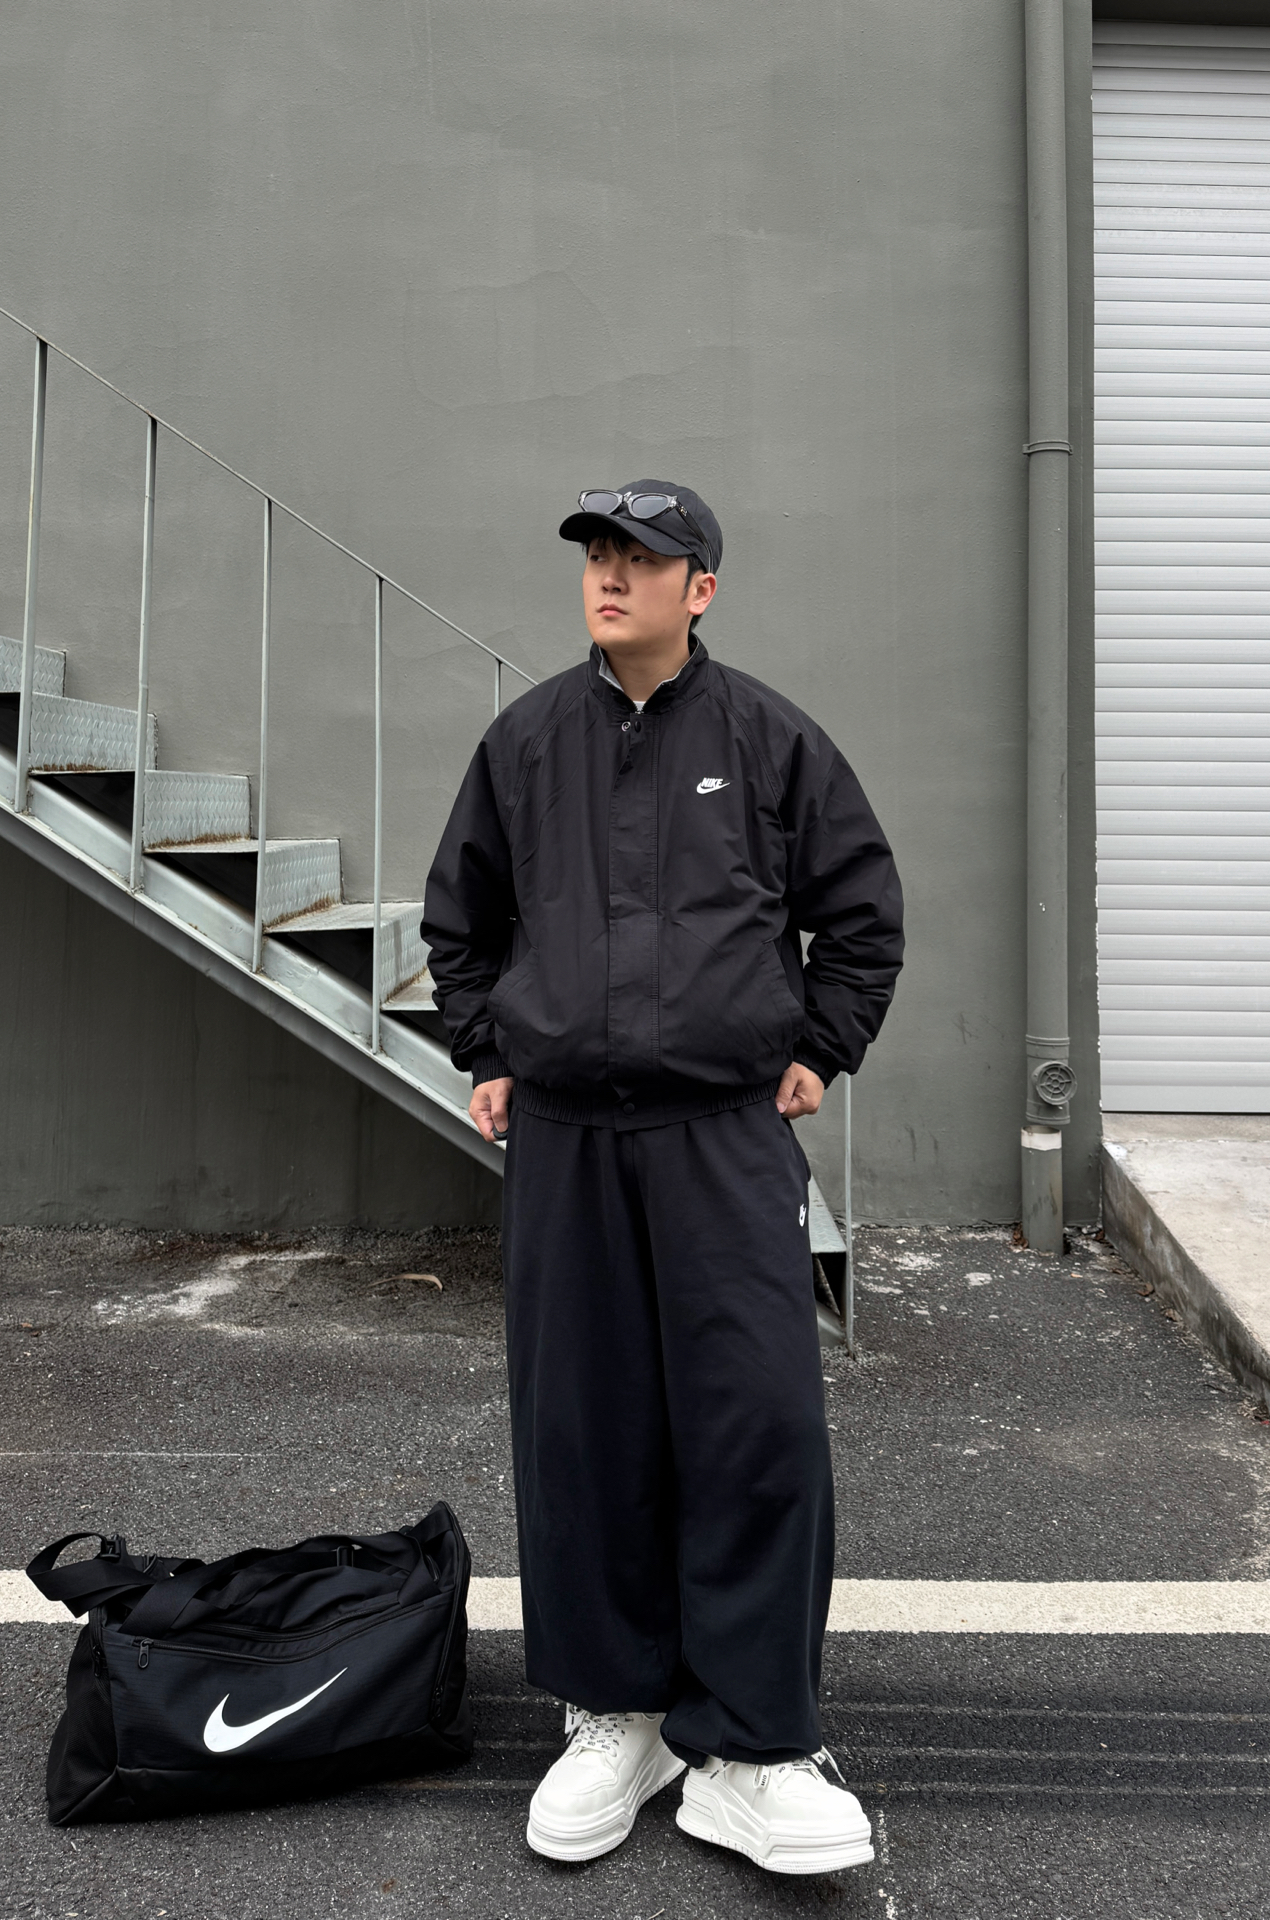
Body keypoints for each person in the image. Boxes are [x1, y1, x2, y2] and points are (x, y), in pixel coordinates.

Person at [422, 481, 904, 1876]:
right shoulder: (527, 743)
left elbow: (860, 910)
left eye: (643, 558)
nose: (611, 576)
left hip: (722, 1138)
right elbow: (462, 916)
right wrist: (486, 1046)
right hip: (568, 1141)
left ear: (702, 588)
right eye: (598, 555)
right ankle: (617, 1714)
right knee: (585, 1426)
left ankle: (751, 1745)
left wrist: (823, 1043)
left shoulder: (767, 739)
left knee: (757, 1424)